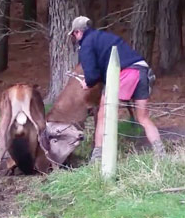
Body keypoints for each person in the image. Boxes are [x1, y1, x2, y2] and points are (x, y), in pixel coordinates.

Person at [68, 16, 165, 160]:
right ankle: (160, 152)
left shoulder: (86, 44)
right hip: (143, 70)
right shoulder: (104, 37)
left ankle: (97, 156)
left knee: (103, 116)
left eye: (74, 35)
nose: (75, 38)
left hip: (126, 73)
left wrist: (86, 83)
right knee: (143, 117)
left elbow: (92, 74)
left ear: (77, 32)